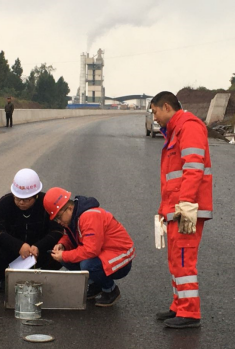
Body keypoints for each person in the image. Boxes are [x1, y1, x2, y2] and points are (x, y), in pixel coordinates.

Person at [150, 91, 213, 329]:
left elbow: (193, 168)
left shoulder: (189, 127)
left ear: (167, 107)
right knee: (176, 258)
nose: (154, 117)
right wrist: (163, 210)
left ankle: (189, 312)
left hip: (187, 208)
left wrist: (185, 204)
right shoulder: (177, 130)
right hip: (177, 207)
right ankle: (179, 306)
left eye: (155, 111)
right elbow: (172, 180)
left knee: (184, 258)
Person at [43, 187, 135, 307]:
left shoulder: (89, 217)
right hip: (104, 252)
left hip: (121, 256)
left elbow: (91, 250)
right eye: (55, 219)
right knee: (67, 256)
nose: (58, 221)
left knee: (87, 264)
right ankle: (95, 285)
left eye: (58, 217)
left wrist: (64, 255)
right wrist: (62, 245)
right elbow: (69, 236)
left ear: (69, 208)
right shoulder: (73, 218)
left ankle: (111, 290)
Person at [0, 168, 64, 293]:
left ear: (36, 196)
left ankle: (44, 276)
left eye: (26, 199)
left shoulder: (46, 203)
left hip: (39, 251)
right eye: (17, 198)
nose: (21, 202)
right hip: (13, 251)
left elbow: (57, 230)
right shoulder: (4, 203)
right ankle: (4, 278)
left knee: (61, 248)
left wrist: (38, 246)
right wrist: (18, 245)